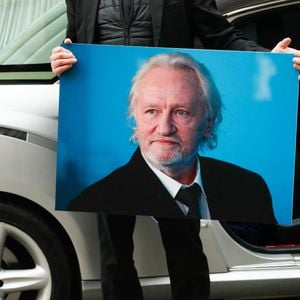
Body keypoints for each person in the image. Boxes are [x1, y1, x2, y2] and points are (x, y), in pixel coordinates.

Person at [50, 1, 300, 300]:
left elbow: (223, 36)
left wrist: (271, 60)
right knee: (113, 254)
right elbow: (72, 46)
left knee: (186, 250)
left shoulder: (249, 183)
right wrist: (58, 60)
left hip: (178, 157)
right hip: (102, 142)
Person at [68, 52, 277, 225]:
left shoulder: (250, 188)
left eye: (181, 112)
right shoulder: (95, 202)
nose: (165, 128)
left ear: (208, 124)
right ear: (135, 118)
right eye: (152, 111)